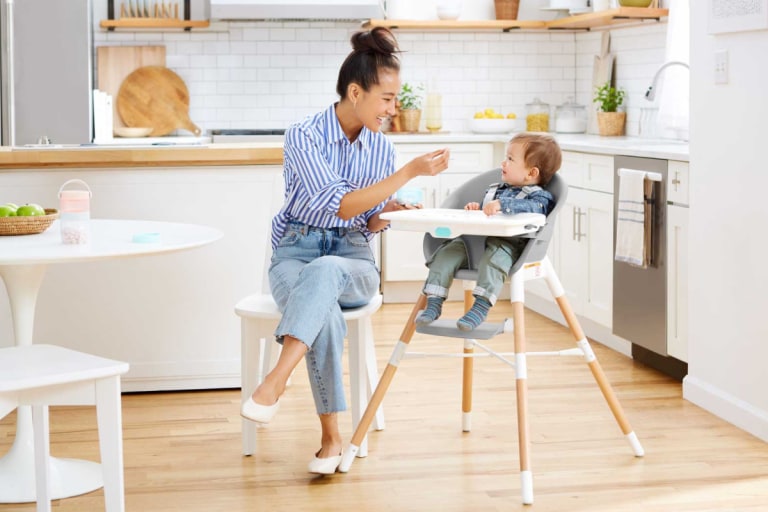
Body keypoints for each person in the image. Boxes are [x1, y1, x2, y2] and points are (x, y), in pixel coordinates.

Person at [239, 27, 450, 475]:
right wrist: (410, 171)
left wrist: (387, 210)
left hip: (353, 259)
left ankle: (275, 382)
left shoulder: (381, 149)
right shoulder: (304, 136)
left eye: (396, 100)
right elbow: (337, 203)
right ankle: (332, 439)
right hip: (296, 252)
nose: (394, 110)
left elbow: (361, 219)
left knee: (331, 270)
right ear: (355, 92)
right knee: (325, 309)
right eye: (387, 99)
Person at [414, 132, 562, 332]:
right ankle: (433, 303)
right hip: (472, 244)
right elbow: (486, 214)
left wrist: (503, 205)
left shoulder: (539, 197)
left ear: (531, 173)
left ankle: (480, 307)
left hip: (505, 247)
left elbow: (537, 210)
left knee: (495, 259)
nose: (503, 163)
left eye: (510, 159)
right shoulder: (496, 189)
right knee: (446, 254)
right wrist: (477, 209)